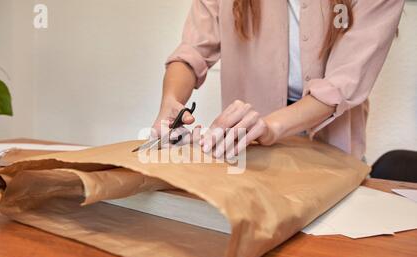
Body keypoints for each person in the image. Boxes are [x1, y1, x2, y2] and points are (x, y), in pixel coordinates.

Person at [152, 0, 404, 160]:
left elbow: (342, 84)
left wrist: (270, 126)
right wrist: (171, 100)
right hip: (249, 150)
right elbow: (193, 50)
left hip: (332, 144)